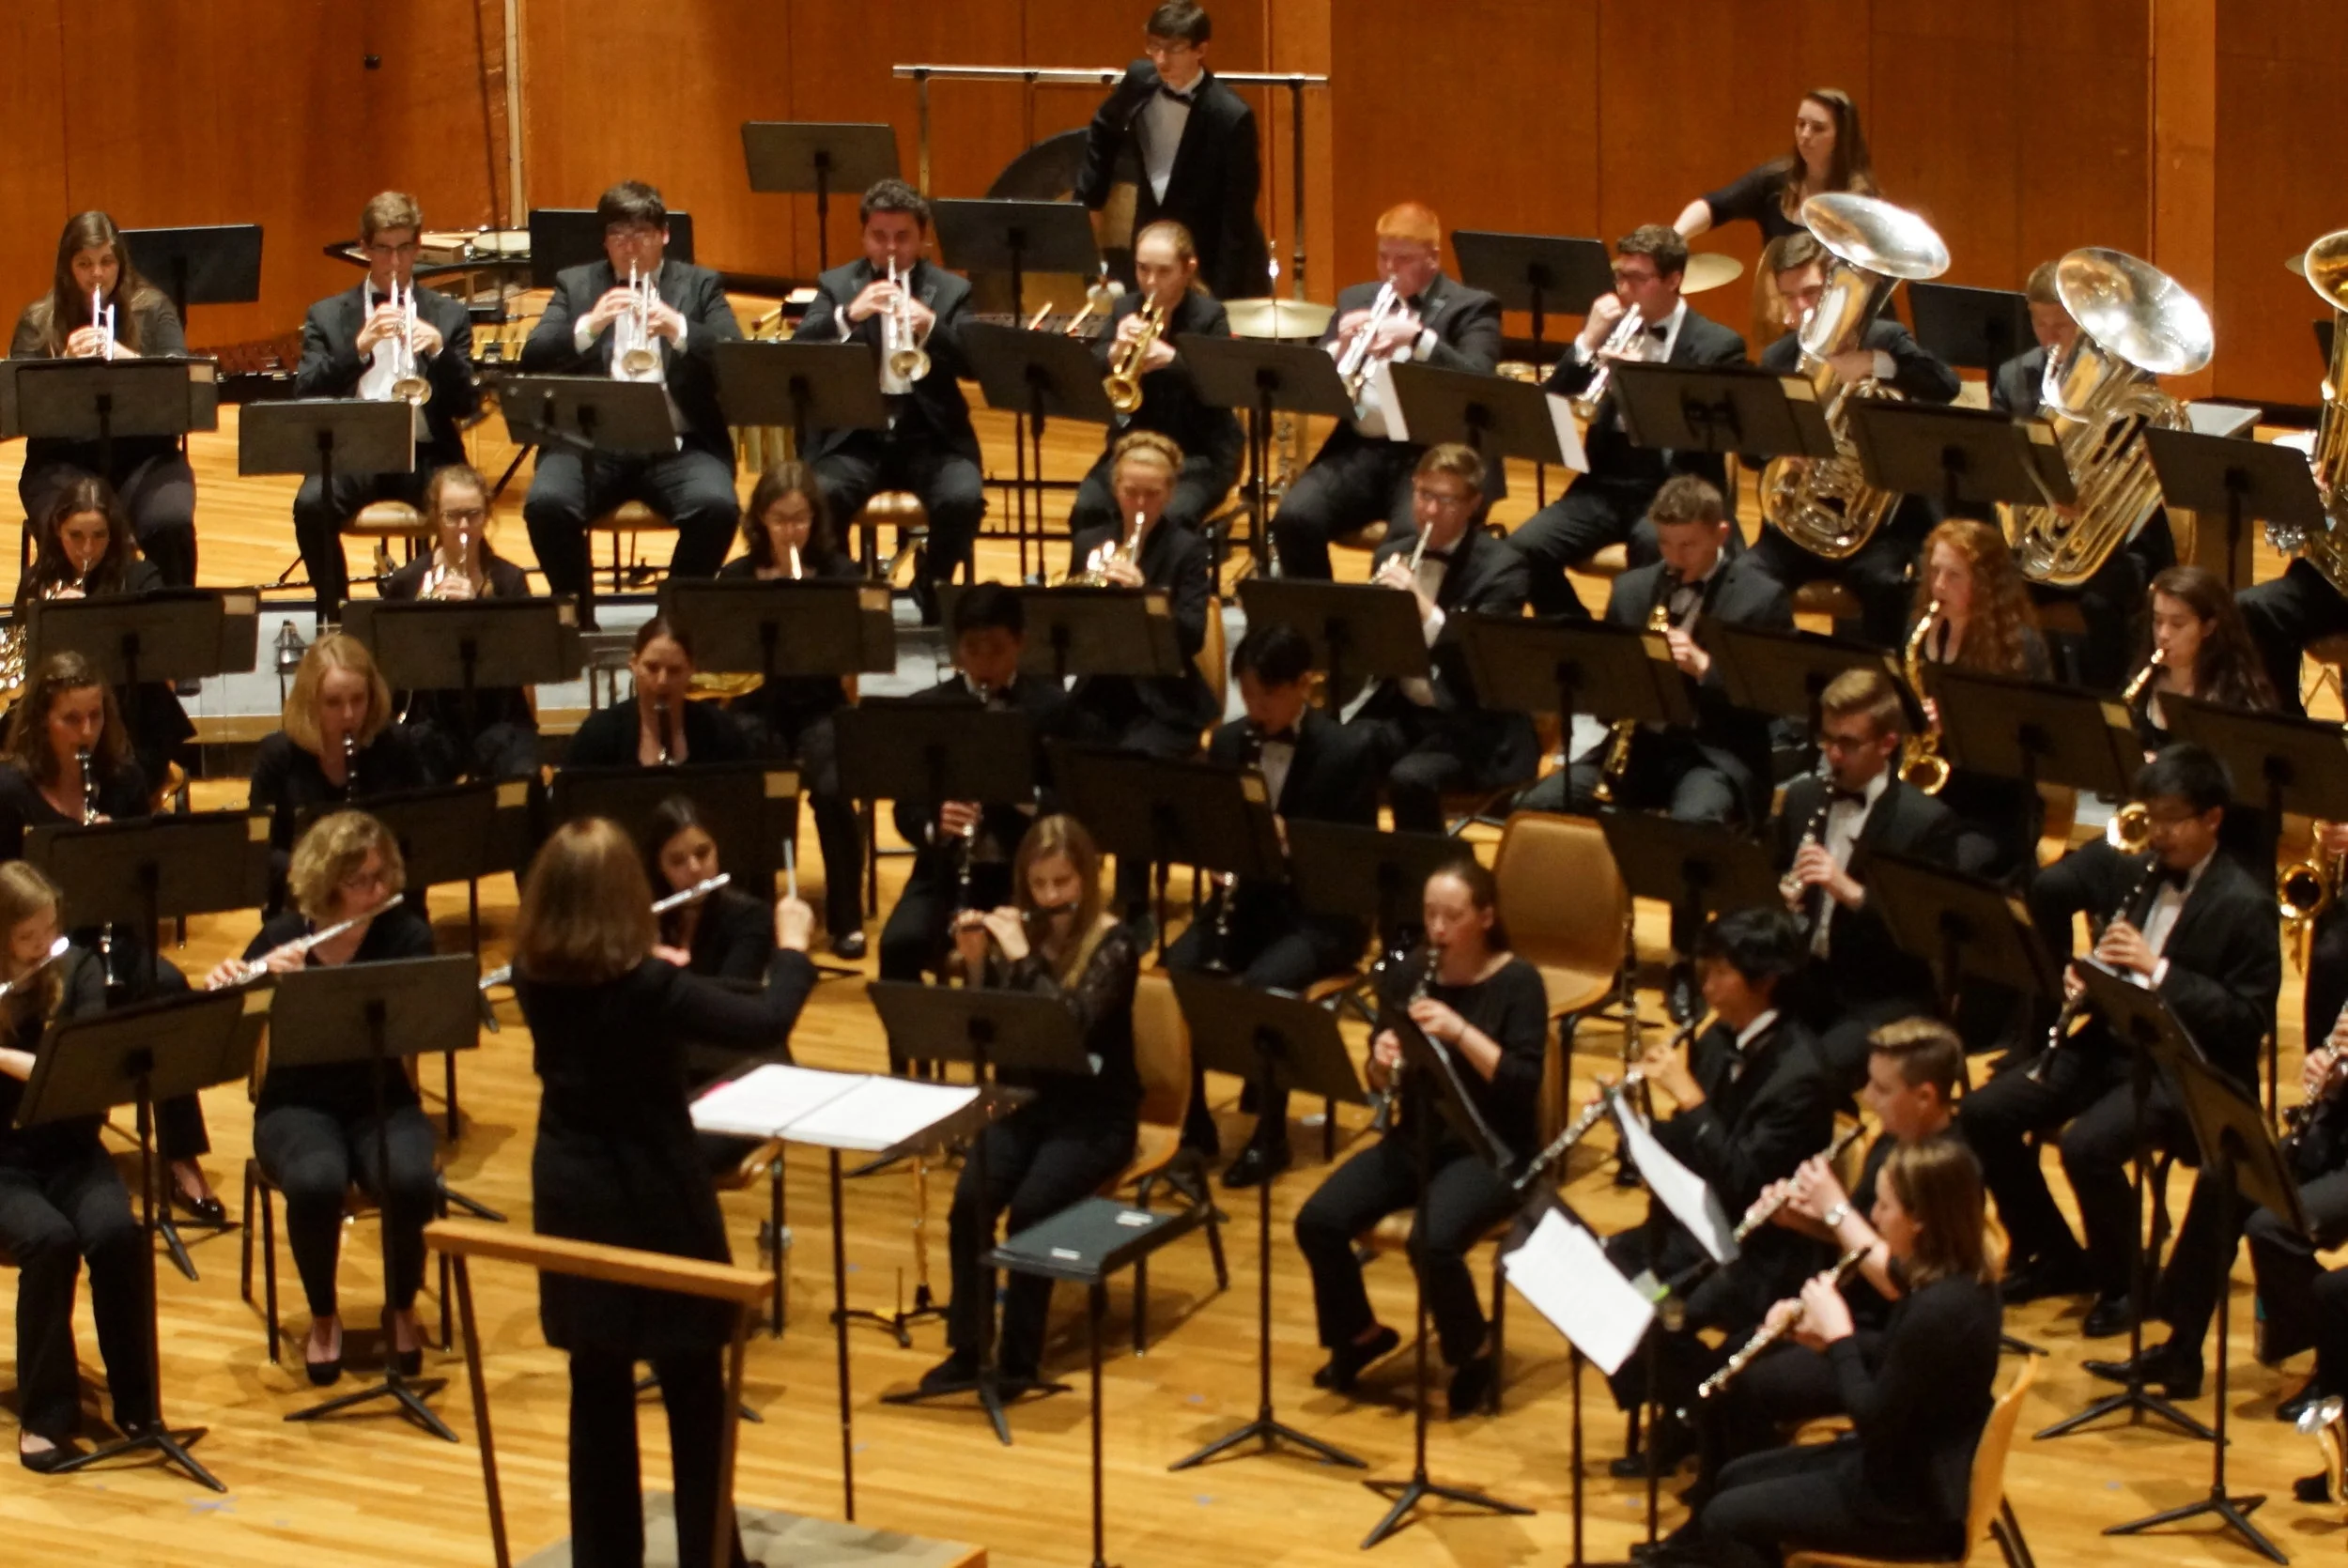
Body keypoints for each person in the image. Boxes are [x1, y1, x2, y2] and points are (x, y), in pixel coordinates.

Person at [513, 816, 815, 1568]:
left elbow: (604, 989)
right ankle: (713, 1562)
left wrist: (664, 968)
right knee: (692, 1387)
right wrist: (793, 945)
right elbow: (767, 1020)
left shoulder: (531, 972)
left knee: (597, 1380)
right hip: (654, 1189)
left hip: (571, 1188)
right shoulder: (651, 986)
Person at [1958, 744, 2278, 1336]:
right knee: (1981, 1114)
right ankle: (2057, 1256)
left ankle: (2128, 1282)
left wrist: (2158, 973)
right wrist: (2094, 977)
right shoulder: (2143, 872)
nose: (2157, 834)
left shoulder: (2247, 904)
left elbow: (2246, 1021)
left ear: (2212, 819)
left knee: (2086, 1148)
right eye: (2151, 817)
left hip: (2186, 1072)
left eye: (2172, 820)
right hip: (2113, 1045)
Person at [1678, 1020, 1972, 1523]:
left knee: (1750, 1385)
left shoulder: (1952, 1167)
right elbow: (1861, 1237)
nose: (1867, 1098)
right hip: (1855, 1321)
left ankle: (1742, 1513)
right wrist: (1799, 1217)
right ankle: (1721, 1499)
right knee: (1731, 1356)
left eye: (1882, 1088)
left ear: (1926, 1096)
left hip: (1889, 1342)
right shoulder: (1892, 1141)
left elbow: (1906, 1283)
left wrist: (1835, 1210)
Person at [1292, 857, 1547, 1419]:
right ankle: (1359, 1335)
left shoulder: (1518, 983)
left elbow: (1522, 1085)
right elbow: (1378, 1078)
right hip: (1418, 1139)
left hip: (1492, 1148)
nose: (1436, 929)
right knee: (1318, 1220)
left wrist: (1460, 1031)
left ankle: (1473, 1349)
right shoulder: (1410, 974)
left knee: (1430, 1241)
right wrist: (1381, 1063)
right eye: (1430, 914)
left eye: (1451, 916)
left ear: (1485, 917)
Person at [1676, 1140, 2002, 1568]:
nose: (1873, 1217)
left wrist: (1840, 1338)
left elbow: (1871, 1423)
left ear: (1920, 1219)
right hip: (1907, 1464)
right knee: (1732, 1476)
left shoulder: (1939, 1310)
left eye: (1885, 1207)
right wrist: (1820, 1339)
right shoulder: (1954, 1275)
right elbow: (1901, 1361)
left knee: (1726, 1518)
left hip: (1910, 1503)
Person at [1600, 906, 1834, 1474]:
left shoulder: (1800, 1075)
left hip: (1759, 1252)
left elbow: (1743, 1181)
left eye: (1719, 974)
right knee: (1614, 1268)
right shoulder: (1717, 1040)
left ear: (1765, 978)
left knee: (1658, 1309)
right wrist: (1633, 1128)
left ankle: (1701, 1417)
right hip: (1702, 1227)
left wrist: (1690, 1099)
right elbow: (1690, 1147)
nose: (1704, 987)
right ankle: (1690, 1406)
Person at [216, 812, 439, 1387]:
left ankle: (400, 1306)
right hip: (295, 1104)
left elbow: (431, 1019)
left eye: (382, 876)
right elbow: (227, 1025)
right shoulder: (283, 935)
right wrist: (254, 979)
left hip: (381, 1100)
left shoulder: (404, 934)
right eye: (361, 879)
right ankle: (323, 1317)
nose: (379, 890)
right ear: (327, 882)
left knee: (412, 1178)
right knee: (316, 1183)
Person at [923, 815, 1140, 1391]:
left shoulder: (1116, 945)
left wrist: (1021, 957)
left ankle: (1020, 1360)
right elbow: (987, 1028)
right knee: (970, 1202)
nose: (1050, 897)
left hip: (1095, 1114)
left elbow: (1070, 1026)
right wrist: (974, 960)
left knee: (1031, 1213)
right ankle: (969, 1348)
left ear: (1086, 881)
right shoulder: (1015, 937)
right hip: (1024, 1104)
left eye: (1062, 884)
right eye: (1039, 885)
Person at [0, 651, 219, 1221]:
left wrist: (116, 850)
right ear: (41, 720)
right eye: (71, 718)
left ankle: (181, 1155)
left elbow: (146, 884)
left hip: (108, 939)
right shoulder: (10, 792)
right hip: (35, 955)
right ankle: (54, 1144)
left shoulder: (120, 780)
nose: (86, 732)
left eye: (95, 716)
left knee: (167, 987)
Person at [1164, 621, 1379, 1177]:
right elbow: (1214, 824)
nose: (1255, 709)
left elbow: (1353, 864)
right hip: (1250, 902)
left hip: (1319, 916)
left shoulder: (1348, 750)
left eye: (1267, 696)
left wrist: (1293, 845)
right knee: (1177, 971)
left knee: (1265, 988)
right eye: (1248, 695)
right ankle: (1194, 1126)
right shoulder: (1232, 741)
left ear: (1303, 685)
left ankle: (1271, 1135)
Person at [520, 180, 741, 626]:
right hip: (590, 447)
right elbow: (535, 353)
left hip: (679, 446)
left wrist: (678, 329)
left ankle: (670, 622)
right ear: (604, 241)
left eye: (642, 233)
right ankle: (580, 620)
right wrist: (590, 324)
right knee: (546, 503)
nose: (630, 246)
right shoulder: (576, 283)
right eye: (619, 234)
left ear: (664, 235)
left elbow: (734, 354)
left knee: (717, 507)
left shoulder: (700, 286)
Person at [1521, 474, 1791, 830]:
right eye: (1665, 543)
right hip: (1637, 750)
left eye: (1688, 545)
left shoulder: (1760, 600)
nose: (1674, 557)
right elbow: (1604, 703)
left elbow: (1772, 701)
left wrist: (1705, 669)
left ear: (1721, 534)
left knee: (1692, 826)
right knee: (1537, 808)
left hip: (1710, 755)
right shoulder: (1632, 589)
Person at [1511, 225, 1753, 611]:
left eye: (1637, 279)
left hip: (1676, 483)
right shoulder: (1608, 330)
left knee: (1650, 546)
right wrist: (1587, 340)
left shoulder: (1718, 346)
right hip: (1605, 483)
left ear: (1674, 280)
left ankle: (1637, 649)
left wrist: (1647, 386)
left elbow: (1717, 434)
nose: (1623, 289)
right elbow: (1552, 400)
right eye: (1620, 276)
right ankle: (1578, 637)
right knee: (1520, 552)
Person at [0, 863, 152, 1471]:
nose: (45, 945)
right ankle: (47, 1411)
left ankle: (138, 1400)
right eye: (28, 937)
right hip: (3, 1164)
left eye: (50, 929)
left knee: (117, 1232)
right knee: (50, 1240)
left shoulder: (79, 970)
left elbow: (75, 1069)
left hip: (71, 1150)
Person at [1742, 230, 1959, 647]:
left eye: (1809, 292)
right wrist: (1781, 444)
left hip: (1874, 532)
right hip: (1797, 525)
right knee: (1745, 580)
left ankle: (1882, 695)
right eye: (1789, 297)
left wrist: (1875, 364)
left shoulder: (1884, 339)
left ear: (1833, 286)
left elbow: (1945, 385)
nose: (1800, 307)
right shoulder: (1779, 358)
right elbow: (1752, 453)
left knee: (1888, 586)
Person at [1266, 203, 1502, 582]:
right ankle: (1318, 624)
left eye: (1403, 259)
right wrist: (1340, 347)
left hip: (1433, 454)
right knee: (1293, 518)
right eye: (1383, 257)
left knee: (1402, 547)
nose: (1390, 269)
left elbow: (1480, 380)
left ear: (1433, 258)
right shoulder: (1355, 298)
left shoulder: (1472, 307)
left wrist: (1419, 339)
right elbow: (1320, 382)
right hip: (1362, 448)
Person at [796, 178, 982, 620]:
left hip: (929, 437)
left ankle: (930, 581)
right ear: (864, 238)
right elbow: (803, 347)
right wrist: (850, 314)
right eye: (880, 237)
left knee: (963, 498)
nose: (891, 248)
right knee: (822, 494)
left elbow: (975, 364)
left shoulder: (952, 292)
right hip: (856, 434)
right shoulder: (838, 285)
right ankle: (849, 593)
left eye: (903, 237)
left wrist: (932, 327)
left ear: (923, 238)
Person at [876, 585, 1078, 990]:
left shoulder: (1055, 710)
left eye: (997, 650)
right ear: (956, 650)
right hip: (946, 873)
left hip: (1026, 876)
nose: (984, 664)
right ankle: (918, 1043)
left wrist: (1024, 799)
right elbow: (906, 809)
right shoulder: (930, 708)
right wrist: (936, 823)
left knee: (1020, 960)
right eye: (972, 649)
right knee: (897, 945)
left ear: (1020, 643)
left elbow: (1076, 806)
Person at [290, 191, 479, 622]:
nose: (394, 263)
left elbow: (466, 403)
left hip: (427, 450)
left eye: (404, 249)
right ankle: (335, 617)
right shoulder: (327, 315)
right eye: (383, 249)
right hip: (354, 451)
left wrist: (439, 351)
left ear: (417, 247)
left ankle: (450, 610)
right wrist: (358, 349)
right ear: (364, 249)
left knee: (464, 504)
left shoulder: (448, 315)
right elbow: (306, 392)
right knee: (310, 506)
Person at [1771, 669, 1962, 1091]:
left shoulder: (1925, 824)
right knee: (1725, 1042)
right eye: (1827, 739)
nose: (1833, 756)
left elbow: (1927, 933)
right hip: (1811, 977)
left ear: (1887, 744)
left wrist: (1850, 892)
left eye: (1848, 744)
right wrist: (1780, 900)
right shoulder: (1802, 799)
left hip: (1883, 995)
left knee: (1801, 1078)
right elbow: (1768, 880)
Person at [1990, 260, 2168, 692]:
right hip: (2037, 537)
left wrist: (2088, 500)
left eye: (2062, 324)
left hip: (2109, 539)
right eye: (2039, 322)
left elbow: (2138, 469)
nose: (2050, 336)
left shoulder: (2129, 376)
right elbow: (1996, 461)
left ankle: (2108, 709)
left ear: (2086, 322)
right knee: (1984, 587)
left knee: (2105, 601)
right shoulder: (2014, 377)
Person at [1339, 443, 1534, 834]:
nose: (1429, 510)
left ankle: (1429, 879)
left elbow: (1482, 667)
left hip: (1473, 726)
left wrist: (1424, 611)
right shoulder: (1391, 555)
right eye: (1424, 494)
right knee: (1338, 752)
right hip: (1407, 712)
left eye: (1445, 500)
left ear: (1474, 503)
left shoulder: (1504, 570)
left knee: (1412, 779)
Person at [1066, 431, 1219, 924]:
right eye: (1131, 491)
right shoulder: (1091, 542)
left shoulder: (1188, 551)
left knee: (1134, 764)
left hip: (1165, 699)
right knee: (1056, 749)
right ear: (1115, 488)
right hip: (1105, 688)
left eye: (1152, 494)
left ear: (1170, 494)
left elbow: (1192, 635)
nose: (1139, 503)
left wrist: (1147, 597)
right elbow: (1069, 627)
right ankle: (1066, 886)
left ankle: (1131, 903)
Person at [718, 462, 866, 956]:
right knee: (756, 784)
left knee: (831, 787)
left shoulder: (840, 574)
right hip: (757, 703)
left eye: (800, 519)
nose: (791, 530)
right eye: (780, 519)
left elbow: (857, 655)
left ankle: (846, 920)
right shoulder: (737, 577)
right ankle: (753, 915)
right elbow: (721, 660)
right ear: (760, 519)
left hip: (821, 704)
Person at [9, 211, 198, 587]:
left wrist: (127, 358)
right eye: (85, 264)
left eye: (106, 262)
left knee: (171, 523)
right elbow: (16, 409)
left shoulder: (155, 309)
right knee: (76, 527)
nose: (97, 275)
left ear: (120, 263)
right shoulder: (38, 321)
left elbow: (184, 388)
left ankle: (176, 619)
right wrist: (63, 367)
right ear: (67, 268)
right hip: (61, 461)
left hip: (146, 457)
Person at [1074, 1, 1269, 304]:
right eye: (1154, 47)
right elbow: (1103, 126)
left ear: (1200, 50)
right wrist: (1091, 197)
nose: (1161, 60)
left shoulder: (1231, 116)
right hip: (1150, 234)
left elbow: (1237, 215)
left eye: (1173, 49)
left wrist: (1223, 298)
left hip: (1210, 245)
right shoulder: (1140, 79)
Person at [13, 476, 193, 786]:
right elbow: (22, 668)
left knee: (129, 780)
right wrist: (50, 621)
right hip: (56, 725)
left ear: (113, 535)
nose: (87, 549)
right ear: (57, 531)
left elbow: (165, 667)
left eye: (99, 536)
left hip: (131, 721)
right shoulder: (37, 582)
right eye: (76, 536)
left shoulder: (140, 578)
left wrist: (91, 621)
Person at [1068, 221, 1242, 539]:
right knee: (1087, 510)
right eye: (1142, 269)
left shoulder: (1209, 316)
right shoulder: (1124, 308)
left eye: (1163, 272)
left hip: (1198, 454)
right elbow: (1091, 374)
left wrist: (1172, 359)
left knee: (1169, 521)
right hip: (1132, 448)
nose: (1151, 282)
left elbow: (1223, 386)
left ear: (1188, 269)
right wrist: (1113, 352)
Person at [1905, 517, 2050, 885]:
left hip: (1991, 808)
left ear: (1984, 585)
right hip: (1927, 797)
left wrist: (1958, 726)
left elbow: (2028, 746)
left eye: (1954, 576)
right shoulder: (1919, 633)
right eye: (1935, 571)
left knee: (1945, 870)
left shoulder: (2018, 649)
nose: (1938, 586)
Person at [379, 464, 540, 783]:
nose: (464, 527)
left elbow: (525, 669)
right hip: (431, 722)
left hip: (498, 719)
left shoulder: (510, 581)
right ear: (436, 517)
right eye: (453, 516)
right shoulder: (408, 582)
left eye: (474, 515)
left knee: (523, 778)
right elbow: (391, 669)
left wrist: (478, 612)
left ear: (487, 515)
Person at [248, 633, 430, 899]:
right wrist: (317, 871)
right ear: (310, 704)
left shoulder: (395, 745)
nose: (349, 715)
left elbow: (423, 833)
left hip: (382, 901)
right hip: (305, 903)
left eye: (358, 700)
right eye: (333, 702)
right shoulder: (277, 755)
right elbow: (259, 851)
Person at [1676, 88, 1877, 244]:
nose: (1805, 135)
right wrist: (1675, 238)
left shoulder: (1860, 203)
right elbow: (1715, 205)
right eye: (1800, 124)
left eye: (1818, 128)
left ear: (1842, 138)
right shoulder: (1775, 180)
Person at [564, 616, 749, 769]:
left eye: (675, 670)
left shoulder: (720, 731)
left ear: (692, 670)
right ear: (634, 664)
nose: (662, 681)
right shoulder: (598, 734)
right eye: (652, 668)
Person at [2130, 563, 2277, 752]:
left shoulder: (2235, 700)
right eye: (2158, 621)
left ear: (2208, 628)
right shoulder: (2142, 687)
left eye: (2177, 624)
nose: (2163, 634)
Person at [640, 795, 774, 985]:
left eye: (702, 853)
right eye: (678, 861)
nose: (694, 868)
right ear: (659, 867)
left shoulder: (750, 917)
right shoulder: (644, 920)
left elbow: (731, 999)